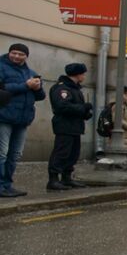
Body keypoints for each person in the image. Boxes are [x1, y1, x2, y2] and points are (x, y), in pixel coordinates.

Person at [0, 43, 45, 198]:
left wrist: (38, 87)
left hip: (22, 119)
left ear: (26, 56)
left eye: (21, 54)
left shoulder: (31, 72)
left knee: (15, 154)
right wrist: (25, 85)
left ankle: (7, 185)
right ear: (9, 53)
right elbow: (3, 88)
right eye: (14, 53)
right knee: (2, 153)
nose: (17, 56)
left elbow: (41, 96)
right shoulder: (1, 67)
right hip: (3, 117)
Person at [47, 63, 94, 190]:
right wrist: (83, 108)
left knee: (73, 154)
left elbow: (75, 107)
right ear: (78, 74)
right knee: (61, 152)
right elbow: (62, 106)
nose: (84, 76)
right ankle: (53, 179)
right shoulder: (62, 88)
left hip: (75, 126)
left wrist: (85, 114)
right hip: (64, 125)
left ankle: (66, 178)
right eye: (83, 73)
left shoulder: (75, 88)